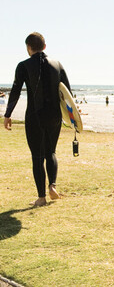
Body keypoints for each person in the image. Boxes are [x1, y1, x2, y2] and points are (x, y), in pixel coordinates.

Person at [3, 32, 71, 207]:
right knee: (51, 152)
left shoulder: (23, 66)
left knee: (37, 156)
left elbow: (16, 90)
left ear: (28, 47)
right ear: (45, 46)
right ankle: (52, 186)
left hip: (35, 116)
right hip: (54, 116)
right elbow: (67, 94)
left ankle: (41, 197)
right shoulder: (57, 64)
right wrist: (72, 117)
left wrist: (8, 114)